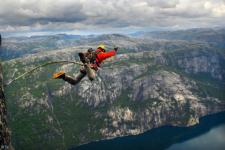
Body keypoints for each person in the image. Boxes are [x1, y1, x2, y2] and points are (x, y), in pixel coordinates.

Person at [52, 44, 118, 85]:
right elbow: (110, 54)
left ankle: (63, 76)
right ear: (103, 50)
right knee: (92, 77)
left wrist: (84, 55)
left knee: (75, 81)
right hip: (90, 68)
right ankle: (86, 64)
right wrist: (115, 51)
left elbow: (85, 54)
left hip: (84, 68)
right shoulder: (101, 54)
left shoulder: (92, 53)